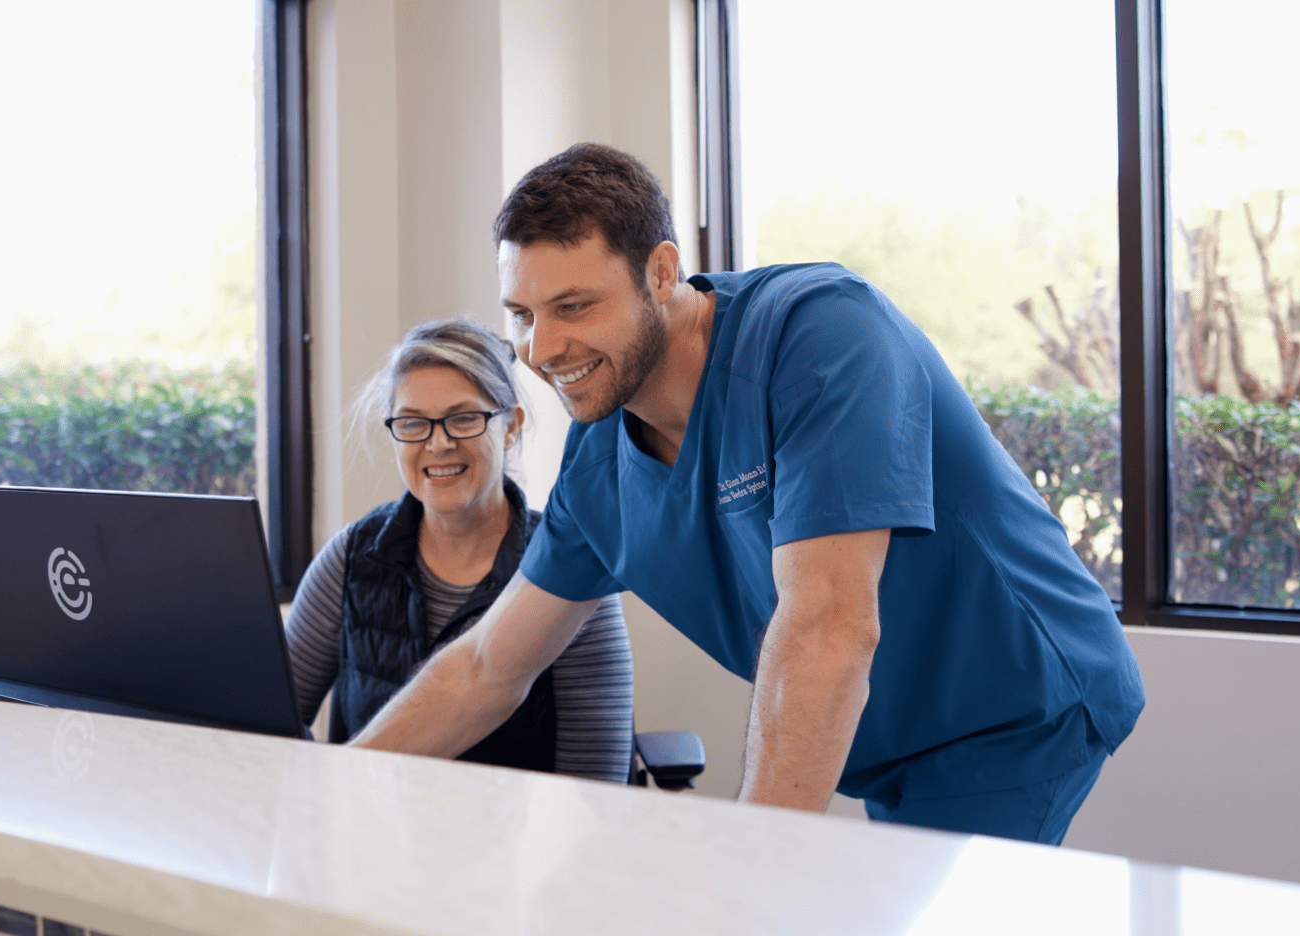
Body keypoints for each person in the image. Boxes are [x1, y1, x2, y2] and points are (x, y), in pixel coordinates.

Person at [347, 144, 1145, 844]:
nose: (540, 348)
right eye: (520, 314)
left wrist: (753, 864)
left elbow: (827, 622)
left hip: (1013, 708)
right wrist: (331, 792)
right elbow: (488, 665)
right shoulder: (599, 463)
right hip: (882, 742)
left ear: (661, 273)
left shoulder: (821, 337)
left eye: (573, 307)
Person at [284, 318, 634, 782]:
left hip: (517, 850)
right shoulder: (349, 558)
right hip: (367, 841)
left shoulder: (569, 569)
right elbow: (272, 731)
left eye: (464, 417)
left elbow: (595, 791)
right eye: (412, 422)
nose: (439, 442)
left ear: (511, 426)